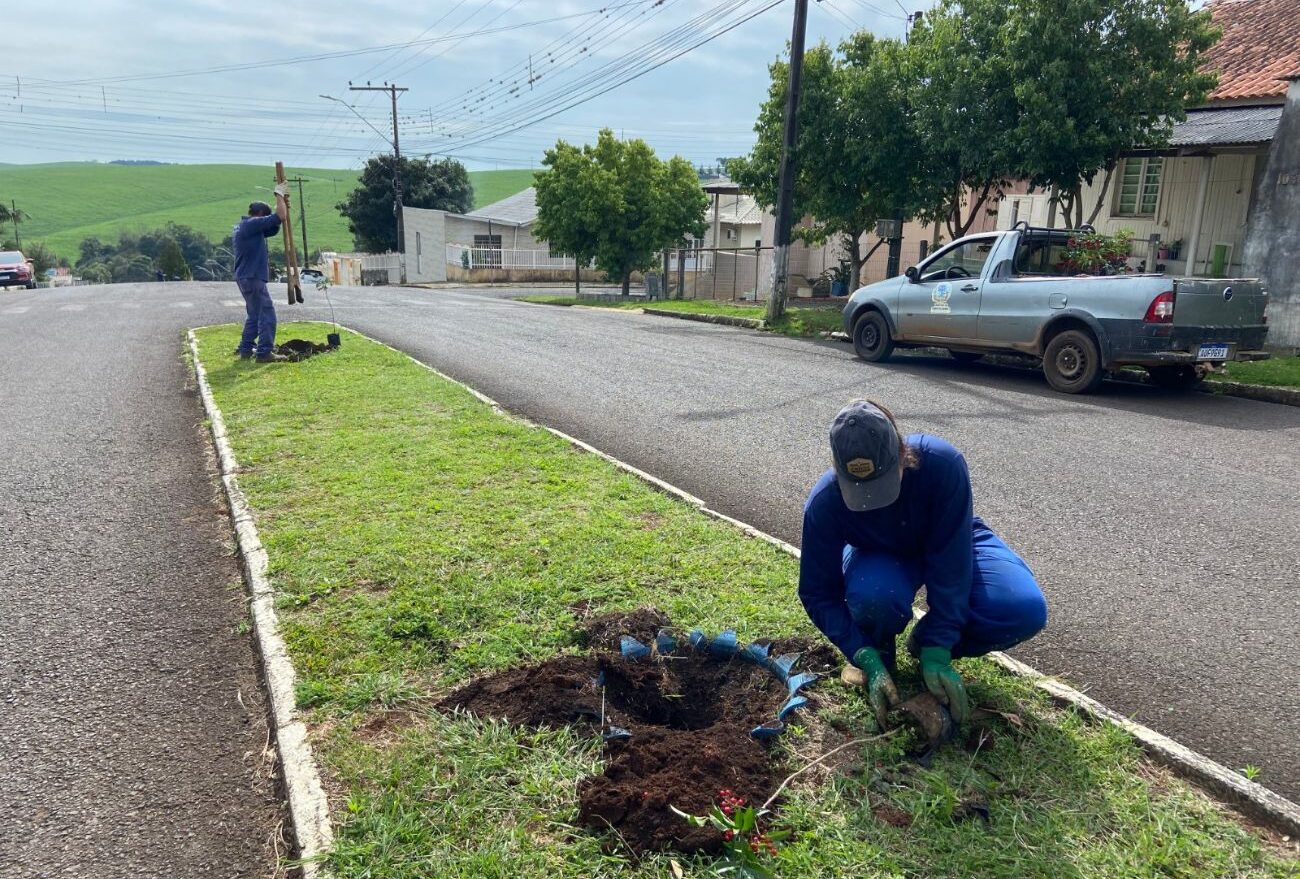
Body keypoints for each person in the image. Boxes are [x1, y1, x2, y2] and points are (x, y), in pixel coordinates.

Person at [798, 400, 1047, 728]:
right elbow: (818, 592)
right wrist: (860, 652)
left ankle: (925, 645)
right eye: (861, 492)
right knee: (875, 595)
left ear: (904, 454)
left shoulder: (943, 465)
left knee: (1022, 609)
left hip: (949, 538)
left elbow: (952, 562)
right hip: (878, 555)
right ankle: (878, 651)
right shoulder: (824, 504)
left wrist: (940, 642)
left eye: (882, 485)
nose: (872, 502)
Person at [232, 184, 290, 363]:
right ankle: (264, 352)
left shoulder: (245, 226)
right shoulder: (251, 224)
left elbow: (274, 225)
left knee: (255, 315)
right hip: (253, 276)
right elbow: (279, 216)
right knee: (266, 313)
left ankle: (246, 349)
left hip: (245, 277)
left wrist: (282, 206)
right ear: (259, 215)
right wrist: (279, 194)